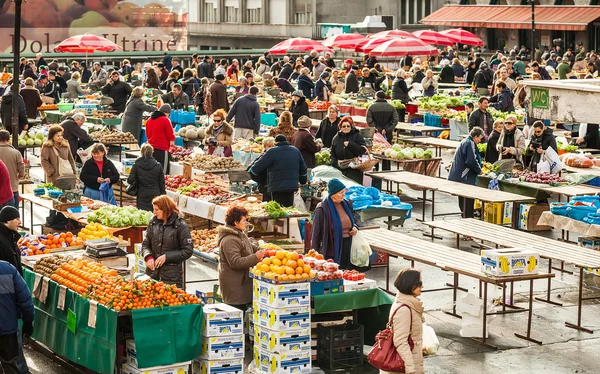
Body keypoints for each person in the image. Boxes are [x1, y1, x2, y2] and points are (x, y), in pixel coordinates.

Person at [217, 205, 265, 310]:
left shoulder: (239, 234)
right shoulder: (229, 240)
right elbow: (235, 262)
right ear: (236, 222)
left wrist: (264, 251)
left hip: (242, 283)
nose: (246, 223)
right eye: (244, 220)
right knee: (236, 313)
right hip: (235, 285)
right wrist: (255, 257)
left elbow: (250, 247)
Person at [142, 195, 192, 288]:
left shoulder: (180, 226)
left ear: (165, 209)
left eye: (157, 210)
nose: (154, 212)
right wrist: (148, 257)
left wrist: (166, 257)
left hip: (171, 276)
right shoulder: (153, 222)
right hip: (152, 273)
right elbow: (145, 244)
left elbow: (187, 251)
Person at [311, 178, 360, 270]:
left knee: (347, 272)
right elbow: (316, 234)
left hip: (348, 245)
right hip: (332, 247)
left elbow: (354, 221)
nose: (344, 194)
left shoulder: (347, 204)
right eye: (341, 192)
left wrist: (355, 228)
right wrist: (315, 256)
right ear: (333, 194)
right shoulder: (322, 209)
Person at [249, 134, 307, 207]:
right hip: (291, 187)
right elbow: (303, 169)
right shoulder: (295, 150)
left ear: (275, 143)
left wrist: (261, 180)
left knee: (277, 209)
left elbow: (254, 169)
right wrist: (303, 181)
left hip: (276, 187)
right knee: (288, 209)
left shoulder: (272, 151)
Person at [386, 268, 425, 374]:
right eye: (419, 283)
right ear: (410, 284)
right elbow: (400, 341)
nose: (422, 287)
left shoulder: (408, 304)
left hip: (411, 359)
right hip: (405, 366)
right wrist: (410, 369)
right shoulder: (404, 309)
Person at [0, 259, 34, 374]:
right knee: (10, 364)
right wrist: (28, 322)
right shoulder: (8, 269)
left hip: (7, 330)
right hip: (7, 331)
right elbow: (25, 301)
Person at [448, 127, 484, 218]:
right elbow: (471, 161)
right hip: (464, 176)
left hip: (460, 175)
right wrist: (479, 170)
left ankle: (465, 215)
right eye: (480, 138)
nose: (480, 140)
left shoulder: (465, 141)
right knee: (467, 197)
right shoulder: (469, 143)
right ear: (475, 136)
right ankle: (468, 217)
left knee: (463, 198)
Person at [127, 144, 165, 212]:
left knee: (142, 214)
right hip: (155, 193)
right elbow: (162, 182)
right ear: (152, 152)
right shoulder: (158, 166)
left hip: (142, 194)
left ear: (141, 152)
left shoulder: (136, 165)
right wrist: (163, 195)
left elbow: (130, 180)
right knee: (155, 213)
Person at [330, 117, 367, 184]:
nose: (346, 127)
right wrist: (335, 164)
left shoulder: (357, 135)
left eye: (348, 126)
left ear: (351, 126)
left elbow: (362, 150)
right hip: (340, 170)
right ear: (340, 127)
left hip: (354, 170)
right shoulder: (336, 138)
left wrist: (350, 144)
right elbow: (332, 152)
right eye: (343, 126)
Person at [146, 104, 176, 173]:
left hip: (151, 149)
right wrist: (173, 140)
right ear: (167, 113)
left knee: (153, 171)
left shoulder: (149, 120)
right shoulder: (165, 120)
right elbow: (170, 135)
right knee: (163, 172)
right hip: (162, 149)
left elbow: (147, 135)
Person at [0, 131, 25, 209]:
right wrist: (17, 178)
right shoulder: (16, 153)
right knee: (13, 217)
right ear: (8, 139)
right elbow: (22, 172)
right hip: (12, 189)